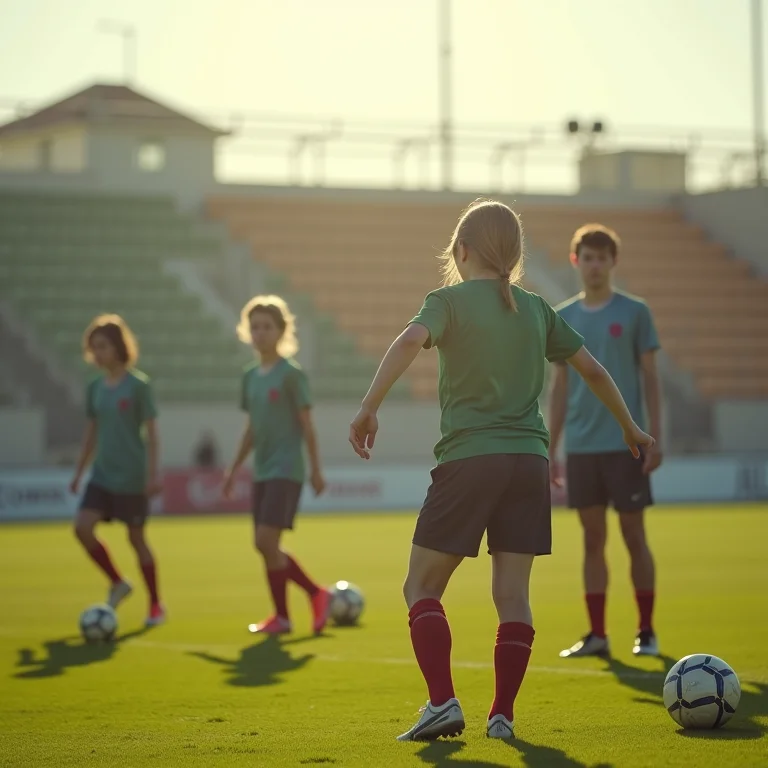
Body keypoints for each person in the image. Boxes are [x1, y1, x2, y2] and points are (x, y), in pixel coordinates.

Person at [349, 200, 655, 742]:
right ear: (514, 255)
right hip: (529, 462)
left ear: (461, 251)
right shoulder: (537, 308)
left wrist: (369, 405)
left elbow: (408, 341)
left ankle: (442, 701)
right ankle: (502, 716)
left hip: (471, 458)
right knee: (512, 594)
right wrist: (631, 427)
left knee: (420, 585)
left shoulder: (447, 301)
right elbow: (593, 369)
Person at [549, 224, 663, 659]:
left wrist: (658, 436)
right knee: (591, 539)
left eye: (603, 258)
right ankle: (597, 634)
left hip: (626, 444)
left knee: (634, 534)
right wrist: (553, 448)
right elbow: (559, 389)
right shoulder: (563, 316)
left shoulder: (635, 313)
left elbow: (651, 379)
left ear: (614, 262)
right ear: (575, 261)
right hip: (580, 447)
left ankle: (646, 630)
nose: (595, 266)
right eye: (588, 258)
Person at [222, 295, 330, 635]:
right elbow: (252, 428)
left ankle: (312, 596)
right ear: (246, 331)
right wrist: (233, 468)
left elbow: (306, 425)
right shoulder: (250, 377)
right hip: (263, 470)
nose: (260, 333)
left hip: (286, 469)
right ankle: (288, 614)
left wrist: (315, 468)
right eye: (254, 327)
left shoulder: (291, 375)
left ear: (281, 331)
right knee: (264, 543)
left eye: (267, 327)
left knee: (266, 540)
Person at [69, 314, 165, 628]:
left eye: (102, 347)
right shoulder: (95, 387)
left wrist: (153, 475)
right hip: (101, 476)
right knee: (82, 527)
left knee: (136, 539)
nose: (97, 354)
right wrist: (79, 471)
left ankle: (155, 605)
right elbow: (91, 432)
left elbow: (152, 433)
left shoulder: (138, 386)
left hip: (131, 478)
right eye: (93, 348)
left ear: (118, 347)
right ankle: (117, 582)